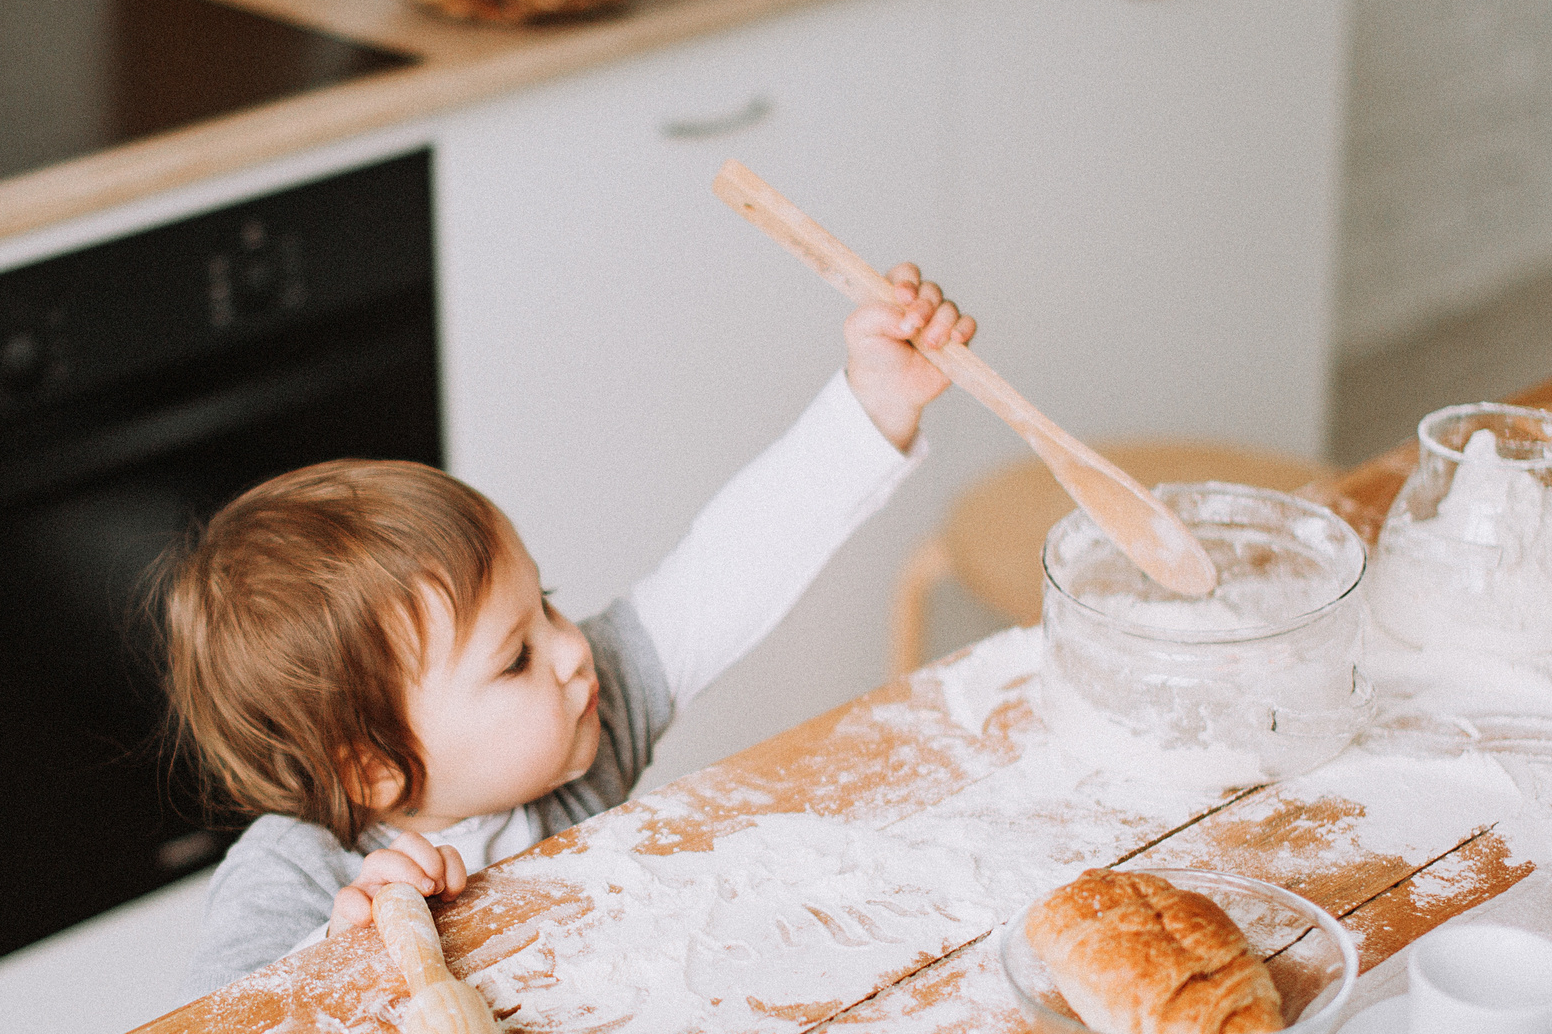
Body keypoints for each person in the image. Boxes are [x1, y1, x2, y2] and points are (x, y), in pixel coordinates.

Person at [162, 265, 973, 995]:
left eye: (545, 604)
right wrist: (337, 958)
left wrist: (872, 404)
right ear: (375, 768)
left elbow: (723, 571)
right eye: (515, 658)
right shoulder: (288, 877)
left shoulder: (580, 727)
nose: (573, 647)